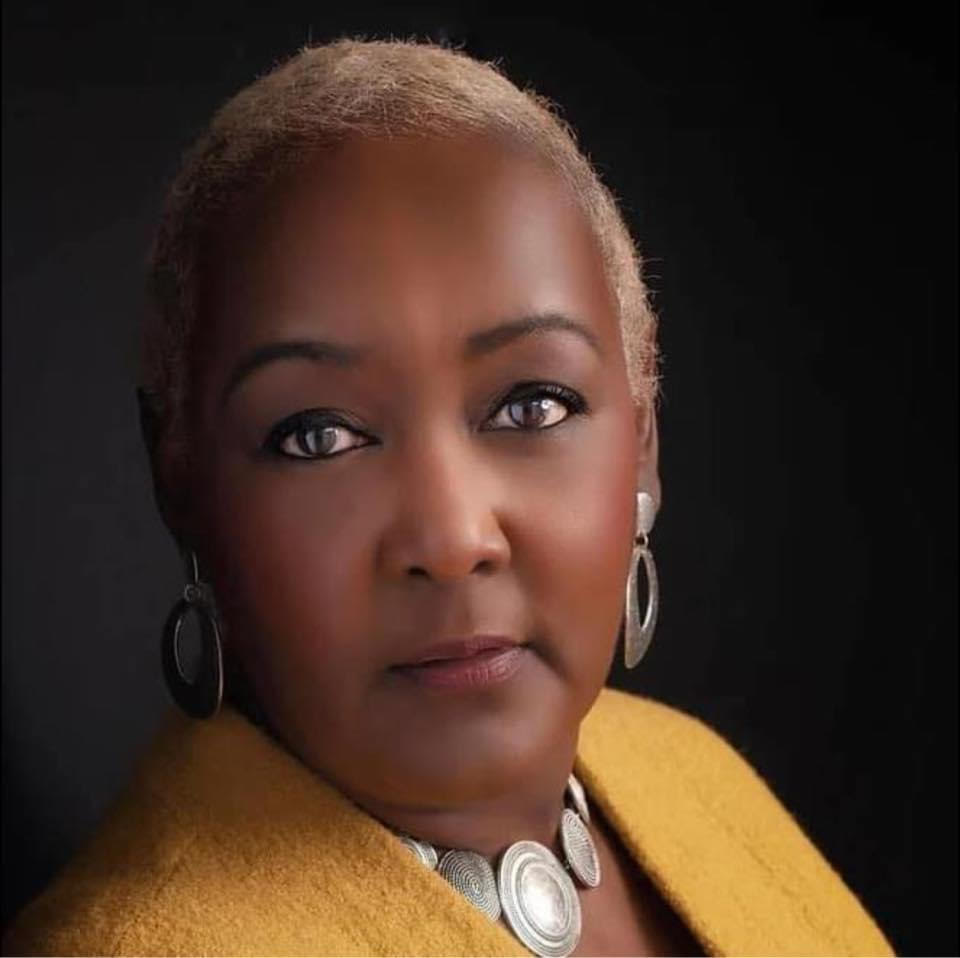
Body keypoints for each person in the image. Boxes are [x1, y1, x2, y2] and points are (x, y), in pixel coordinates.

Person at [3, 38, 893, 957]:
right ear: (178, 483)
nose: (454, 536)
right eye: (319, 435)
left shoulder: (694, 778)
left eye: (532, 404)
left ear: (644, 443)